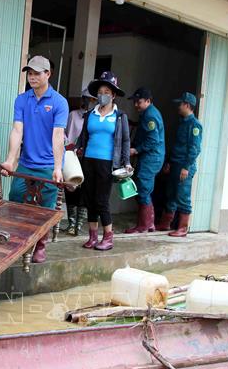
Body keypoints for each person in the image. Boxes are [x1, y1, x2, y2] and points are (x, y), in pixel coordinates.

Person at [1, 55, 69, 263]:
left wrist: (58, 168)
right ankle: (18, 240)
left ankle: (40, 244)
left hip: (49, 164)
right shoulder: (22, 100)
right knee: (15, 196)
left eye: (37, 73)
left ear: (48, 74)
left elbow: (58, 135)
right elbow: (17, 130)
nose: (32, 77)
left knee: (46, 206)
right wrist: (11, 160)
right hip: (27, 163)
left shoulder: (59, 102)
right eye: (29, 73)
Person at [76, 72, 132, 251]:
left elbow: (125, 141)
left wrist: (126, 162)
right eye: (100, 91)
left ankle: (108, 236)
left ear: (113, 95)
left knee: (102, 201)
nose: (103, 95)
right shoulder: (90, 114)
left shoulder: (120, 116)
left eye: (107, 91)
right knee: (89, 199)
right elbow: (83, 136)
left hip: (107, 163)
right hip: (88, 161)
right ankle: (93, 236)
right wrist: (77, 148)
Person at [156, 92, 202, 237]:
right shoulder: (182, 122)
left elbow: (195, 148)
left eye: (180, 104)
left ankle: (182, 228)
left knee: (183, 196)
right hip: (175, 163)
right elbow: (176, 145)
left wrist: (186, 167)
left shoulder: (195, 125)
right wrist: (169, 162)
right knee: (171, 193)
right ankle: (165, 223)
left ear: (187, 105)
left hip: (184, 166)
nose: (178, 106)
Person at [125, 87, 165, 234]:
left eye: (139, 102)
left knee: (143, 189)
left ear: (148, 101)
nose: (136, 105)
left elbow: (153, 140)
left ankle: (143, 225)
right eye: (135, 101)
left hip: (151, 157)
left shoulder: (150, 116)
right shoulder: (146, 113)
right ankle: (150, 224)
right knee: (144, 189)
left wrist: (136, 150)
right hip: (150, 157)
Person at [63, 87, 95, 236]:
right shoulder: (73, 115)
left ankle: (80, 224)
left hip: (88, 158)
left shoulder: (95, 117)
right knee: (71, 189)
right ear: (83, 99)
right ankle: (71, 223)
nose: (90, 102)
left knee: (85, 191)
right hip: (74, 158)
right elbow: (67, 136)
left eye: (93, 99)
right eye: (88, 98)